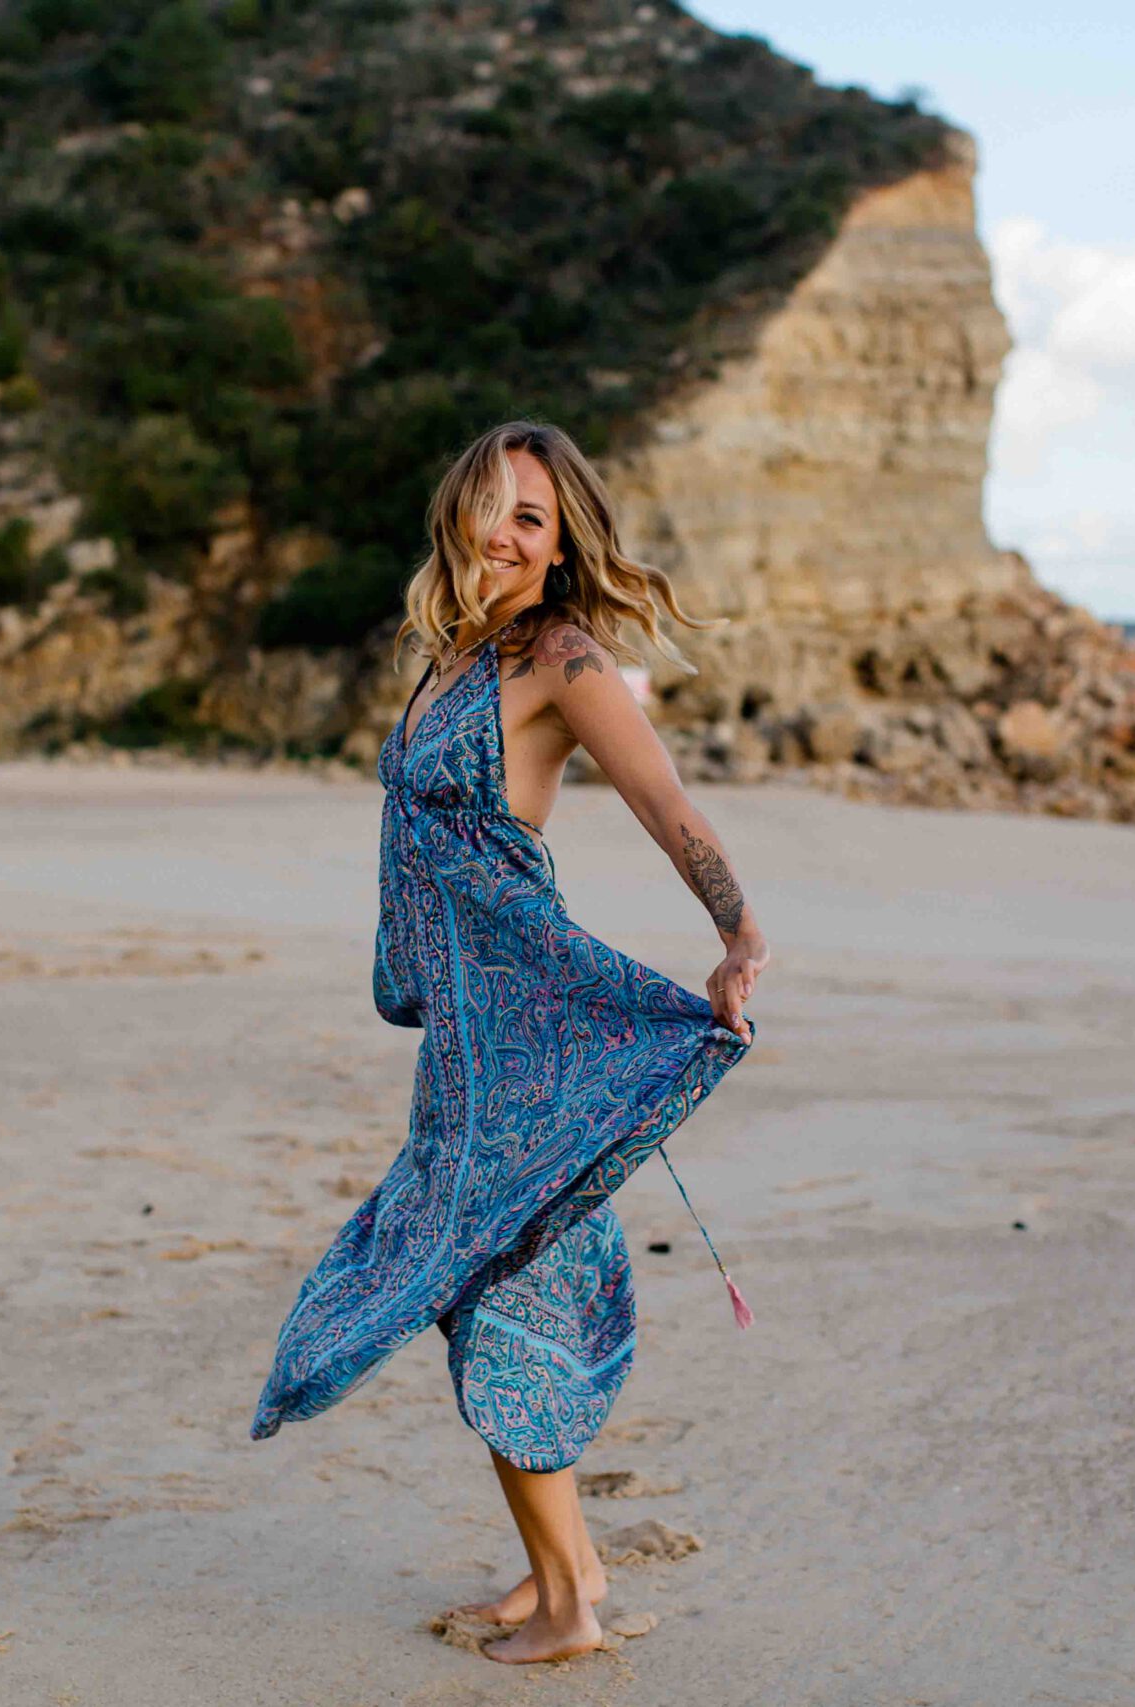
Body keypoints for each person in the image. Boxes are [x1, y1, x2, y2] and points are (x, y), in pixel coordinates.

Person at [249, 419, 771, 1663]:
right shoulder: (453, 654)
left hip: (529, 1018)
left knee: (493, 1278)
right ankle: (565, 1571)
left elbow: (661, 796)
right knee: (496, 1273)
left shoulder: (559, 654)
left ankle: (573, 1610)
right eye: (492, 505)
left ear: (560, 544)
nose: (504, 531)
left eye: (532, 517)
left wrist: (737, 930)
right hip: (470, 1031)